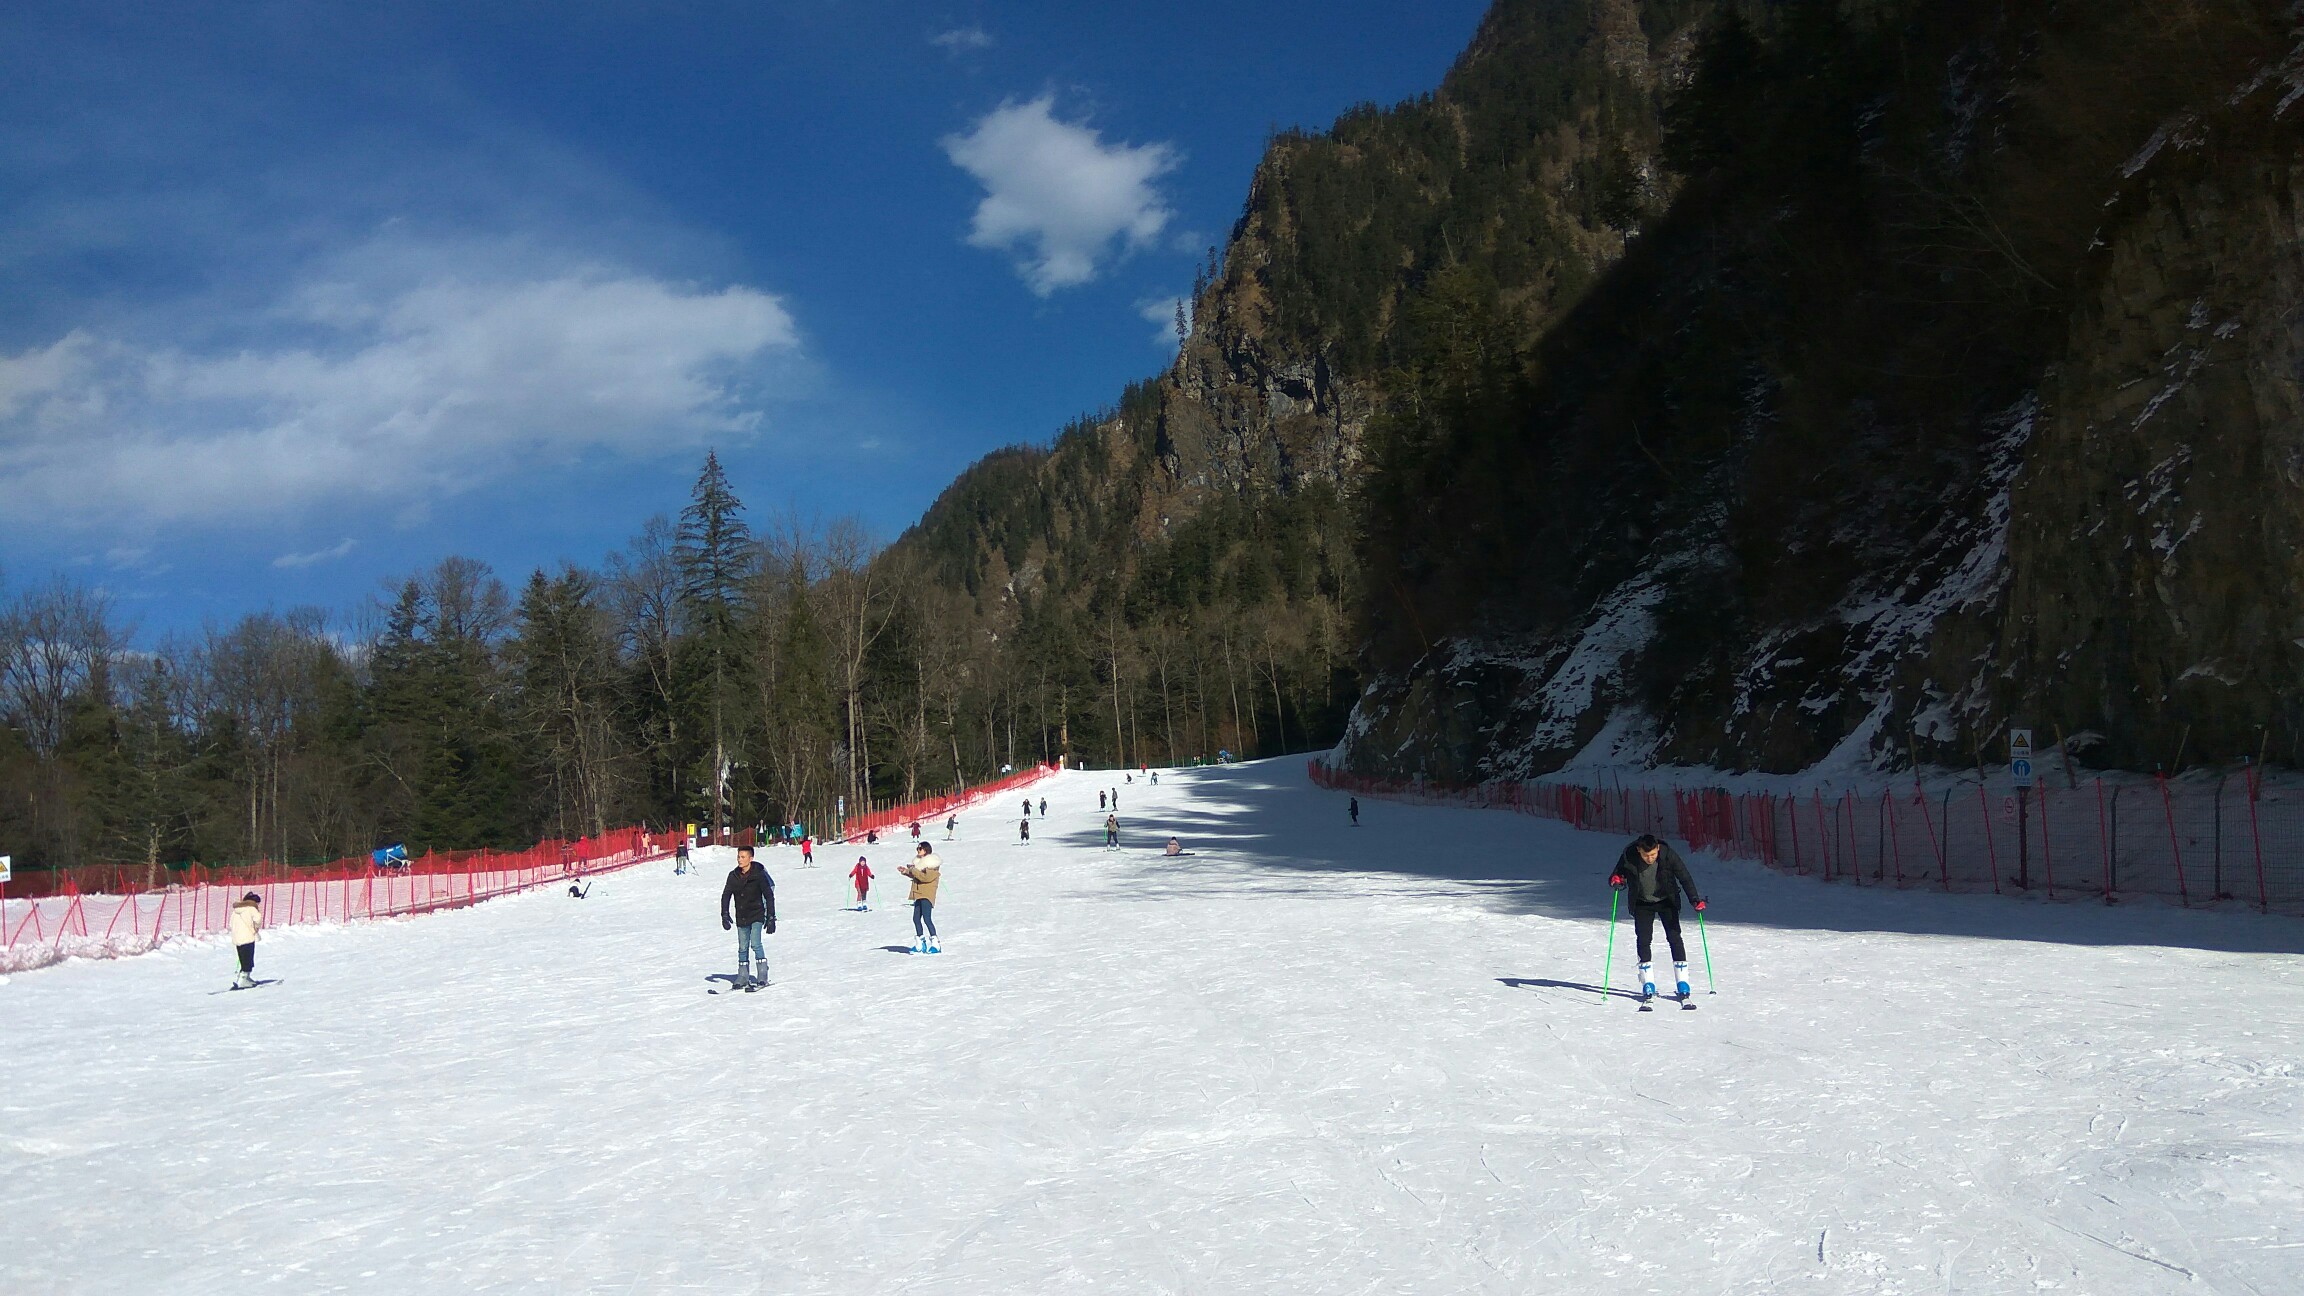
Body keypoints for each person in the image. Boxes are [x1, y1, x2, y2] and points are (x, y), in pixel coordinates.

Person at [1608, 833, 1706, 1002]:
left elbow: (1684, 877)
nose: (1650, 858)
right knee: (1644, 940)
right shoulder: (1629, 855)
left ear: (1658, 849)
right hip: (1641, 903)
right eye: (1646, 855)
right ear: (1639, 850)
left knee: (1675, 938)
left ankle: (1683, 982)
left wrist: (1695, 900)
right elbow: (1617, 874)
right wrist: (1616, 880)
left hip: (1667, 900)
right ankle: (1648, 983)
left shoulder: (1668, 854)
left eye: (1653, 854)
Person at [720, 845, 776, 990]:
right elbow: (726, 895)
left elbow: (769, 896)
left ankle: (762, 974)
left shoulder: (758, 874)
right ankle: (743, 976)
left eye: (743, 857)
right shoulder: (733, 876)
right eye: (738, 856)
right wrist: (724, 914)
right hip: (742, 916)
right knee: (742, 947)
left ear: (751, 858)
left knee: (755, 943)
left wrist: (771, 917)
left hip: (757, 914)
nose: (740, 859)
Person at [900, 842, 942, 954]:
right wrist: (905, 871)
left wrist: (913, 870)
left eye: (920, 848)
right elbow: (917, 874)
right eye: (917, 848)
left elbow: (925, 878)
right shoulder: (919, 865)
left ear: (926, 850)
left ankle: (935, 943)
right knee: (916, 918)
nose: (918, 850)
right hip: (918, 894)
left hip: (927, 894)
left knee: (927, 919)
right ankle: (921, 943)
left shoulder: (932, 865)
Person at [228, 892, 263, 989]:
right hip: (247, 937)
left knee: (243, 958)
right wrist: (256, 927)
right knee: (248, 958)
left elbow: (231, 924)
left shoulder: (236, 910)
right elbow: (258, 918)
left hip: (237, 938)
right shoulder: (251, 908)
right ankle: (243, 979)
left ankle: (245, 977)